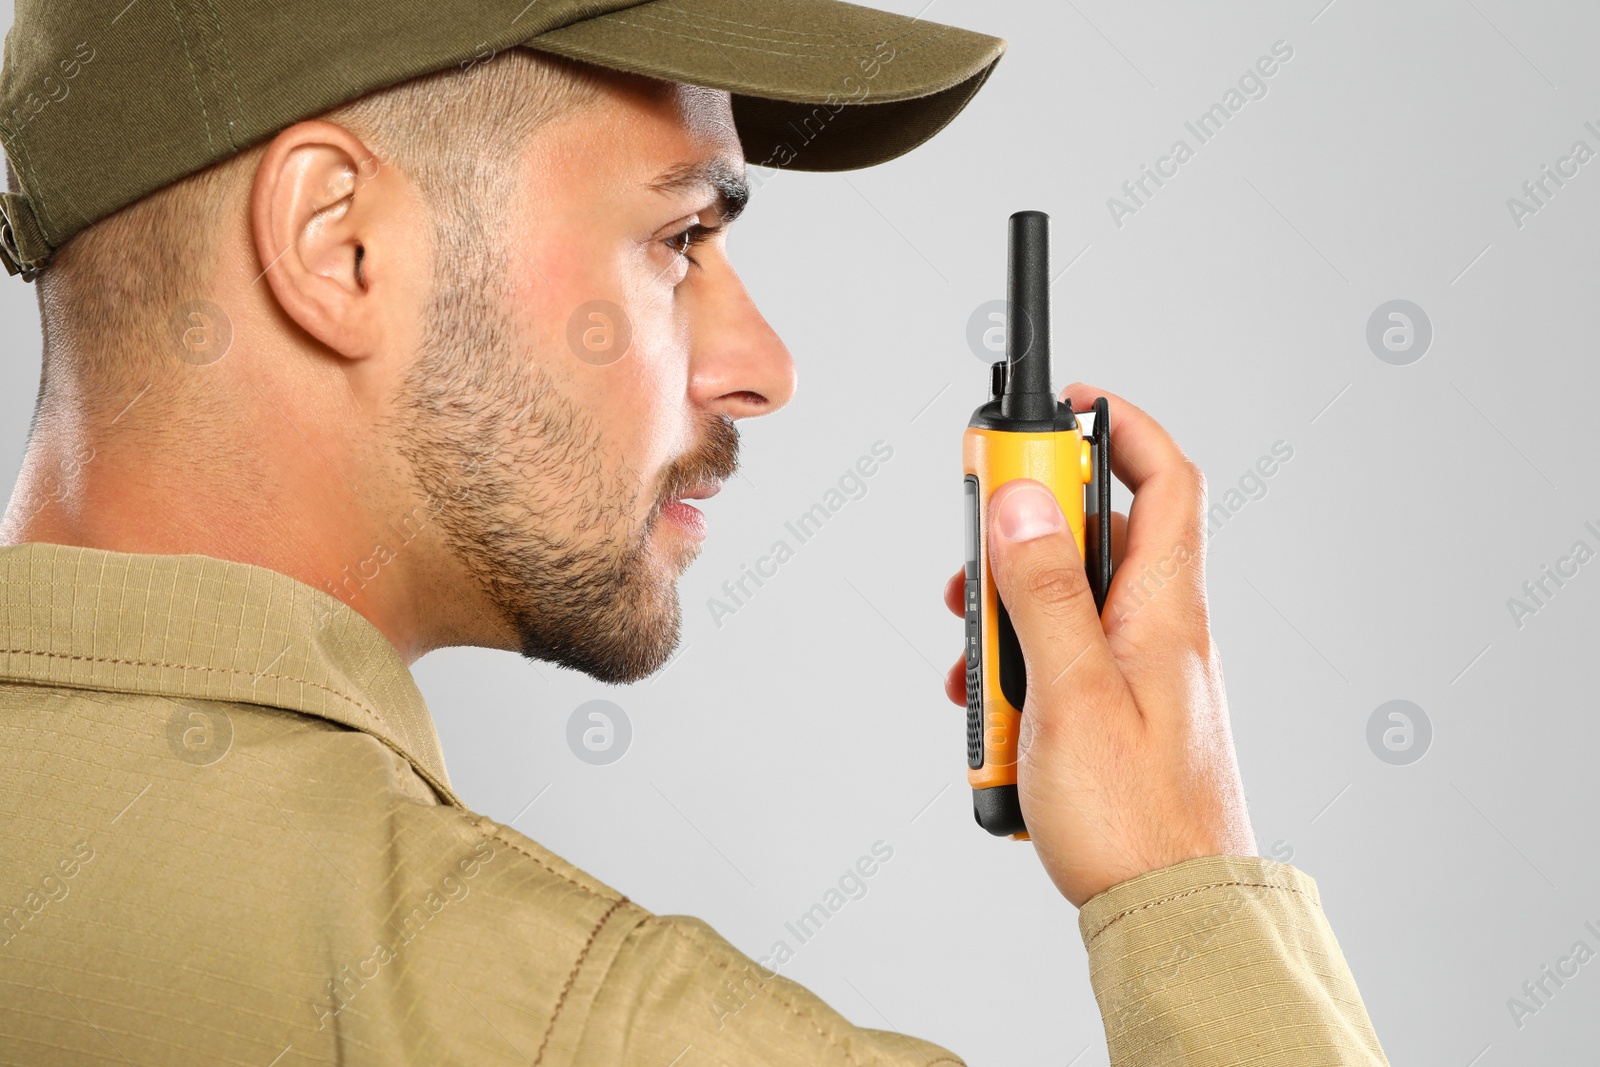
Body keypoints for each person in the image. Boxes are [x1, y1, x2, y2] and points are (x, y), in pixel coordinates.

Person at [0, 0, 1388, 1063]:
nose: (765, 364)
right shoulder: (591, 1027)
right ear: (339, 244)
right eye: (680, 237)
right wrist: (1191, 886)